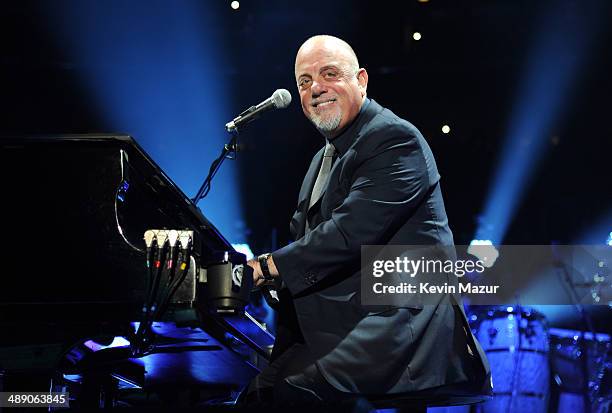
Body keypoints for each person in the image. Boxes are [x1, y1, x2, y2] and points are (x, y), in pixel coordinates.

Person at [245, 35, 490, 407]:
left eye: (330, 74)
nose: (316, 89)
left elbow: (348, 232)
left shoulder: (394, 138)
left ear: (361, 79)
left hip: (397, 329)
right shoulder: (323, 158)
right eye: (305, 81)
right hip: (343, 320)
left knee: (290, 394)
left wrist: (266, 267)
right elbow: (305, 236)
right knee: (256, 395)